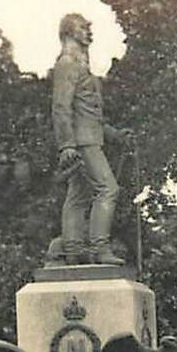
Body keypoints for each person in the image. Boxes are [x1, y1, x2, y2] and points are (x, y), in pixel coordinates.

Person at [47, 13, 123, 266]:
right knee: (108, 189)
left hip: (88, 137)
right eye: (83, 28)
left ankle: (73, 249)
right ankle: (99, 249)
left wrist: (115, 135)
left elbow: (89, 113)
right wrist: (66, 144)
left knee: (78, 194)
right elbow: (60, 107)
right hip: (82, 142)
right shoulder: (67, 63)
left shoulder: (80, 66)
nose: (89, 33)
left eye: (89, 29)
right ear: (68, 32)